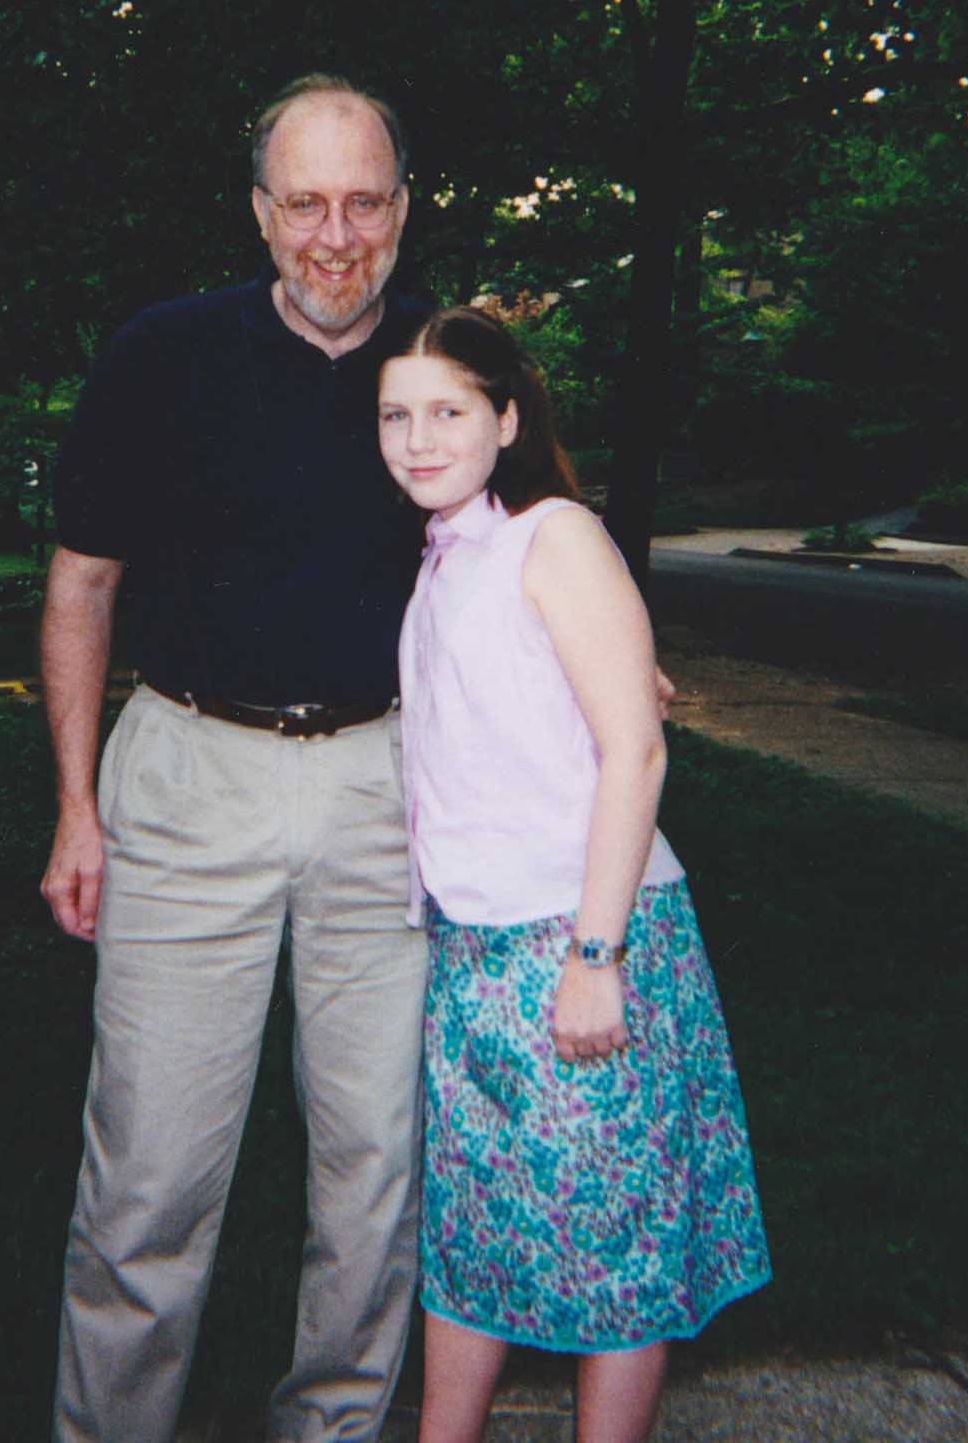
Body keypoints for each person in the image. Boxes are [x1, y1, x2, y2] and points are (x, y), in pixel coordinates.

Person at [39, 75, 432, 1443]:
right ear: (262, 213)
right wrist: (77, 807)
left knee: (376, 1167)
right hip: (188, 777)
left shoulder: (450, 371)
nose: (337, 234)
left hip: (389, 790)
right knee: (149, 1171)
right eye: (306, 202)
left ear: (401, 207)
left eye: (363, 201)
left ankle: (333, 1422)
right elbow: (82, 582)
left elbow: (528, 553)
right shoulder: (161, 354)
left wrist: (617, 665)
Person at [378, 308, 771, 1443]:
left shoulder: (554, 536)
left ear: (506, 418)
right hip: (471, 954)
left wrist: (597, 958)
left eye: (447, 411)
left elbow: (635, 750)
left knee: (615, 1252)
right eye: (395, 415)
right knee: (472, 1232)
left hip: (582, 940)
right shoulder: (447, 553)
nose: (416, 437)